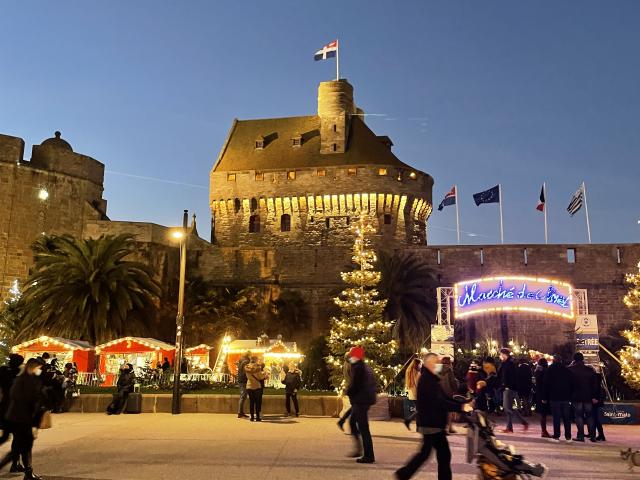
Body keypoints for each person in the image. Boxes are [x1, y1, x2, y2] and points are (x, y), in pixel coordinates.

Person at [395, 353, 473, 480]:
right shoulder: (427, 380)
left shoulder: (432, 378)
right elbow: (438, 402)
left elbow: (444, 398)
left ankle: (403, 474)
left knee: (429, 453)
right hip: (431, 423)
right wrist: (460, 407)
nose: (439, 365)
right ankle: (403, 474)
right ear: (429, 364)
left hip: (432, 423)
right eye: (436, 362)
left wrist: (462, 403)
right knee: (440, 454)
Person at [0, 357, 46, 480]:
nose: (39, 370)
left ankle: (21, 468)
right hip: (21, 417)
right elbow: (30, 401)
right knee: (24, 446)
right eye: (38, 368)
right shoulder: (26, 380)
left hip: (11, 415)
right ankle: (27, 472)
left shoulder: (15, 377)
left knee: (18, 444)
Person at [345, 346, 376, 464]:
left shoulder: (359, 367)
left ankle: (369, 456)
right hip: (364, 399)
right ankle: (359, 449)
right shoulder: (363, 366)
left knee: (364, 428)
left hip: (361, 400)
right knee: (353, 422)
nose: (350, 357)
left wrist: (348, 392)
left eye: (352, 355)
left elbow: (355, 385)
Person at [0, 354, 25, 473]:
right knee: (18, 438)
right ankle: (15, 464)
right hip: (16, 411)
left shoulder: (3, 371)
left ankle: (15, 463)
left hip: (4, 408)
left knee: (5, 436)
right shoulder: (19, 374)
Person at [567, 352, 598, 442]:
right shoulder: (589, 370)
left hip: (576, 396)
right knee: (590, 416)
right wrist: (594, 396)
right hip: (588, 396)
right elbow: (595, 384)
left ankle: (581, 435)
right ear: (582, 359)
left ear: (574, 359)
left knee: (578, 415)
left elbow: (569, 384)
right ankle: (592, 436)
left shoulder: (570, 369)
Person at [498, 348, 528, 433]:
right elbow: (501, 375)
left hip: (509, 388)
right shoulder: (504, 363)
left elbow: (513, 377)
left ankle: (523, 422)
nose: (500, 356)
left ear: (504, 354)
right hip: (506, 388)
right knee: (508, 408)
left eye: (501, 354)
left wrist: (508, 386)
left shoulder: (510, 364)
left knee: (507, 408)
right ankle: (510, 427)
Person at [543, 354, 573, 442]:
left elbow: (546, 384)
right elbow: (572, 384)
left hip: (554, 397)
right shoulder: (567, 370)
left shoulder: (550, 370)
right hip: (566, 397)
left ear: (554, 360)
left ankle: (557, 436)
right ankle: (568, 437)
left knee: (556, 417)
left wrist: (544, 397)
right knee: (566, 417)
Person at [244, 356, 267, 422]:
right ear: (256, 360)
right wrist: (265, 375)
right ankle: (257, 417)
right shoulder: (257, 368)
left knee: (251, 402)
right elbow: (260, 377)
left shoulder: (247, 367)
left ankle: (251, 417)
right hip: (257, 386)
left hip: (249, 386)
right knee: (257, 402)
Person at [439, 357, 458, 434]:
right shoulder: (449, 370)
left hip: (439, 393)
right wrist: (456, 387)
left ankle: (443, 428)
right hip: (448, 392)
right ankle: (449, 428)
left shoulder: (437, 369)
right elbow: (452, 382)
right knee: (449, 411)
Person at [533, 357, 551, 438]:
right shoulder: (543, 372)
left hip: (539, 394)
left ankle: (543, 431)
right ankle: (544, 431)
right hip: (543, 395)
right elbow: (545, 384)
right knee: (543, 414)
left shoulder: (537, 371)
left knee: (542, 414)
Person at [404, 357, 422, 429]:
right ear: (417, 364)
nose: (420, 365)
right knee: (419, 410)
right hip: (416, 393)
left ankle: (412, 423)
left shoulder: (409, 371)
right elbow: (418, 384)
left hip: (411, 393)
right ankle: (411, 422)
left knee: (418, 409)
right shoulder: (417, 373)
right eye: (420, 364)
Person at [337, 353, 353, 431]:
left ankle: (342, 421)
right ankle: (342, 421)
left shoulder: (346, 364)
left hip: (349, 386)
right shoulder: (350, 364)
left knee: (355, 406)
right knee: (355, 406)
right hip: (352, 387)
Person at [593, 372, 606, 441]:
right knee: (596, 420)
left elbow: (601, 395)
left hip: (596, 404)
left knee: (596, 420)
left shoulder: (597, 386)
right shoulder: (599, 386)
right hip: (598, 404)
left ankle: (600, 435)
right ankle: (600, 435)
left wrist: (597, 400)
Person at [236, 352, 250, 418]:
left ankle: (241, 412)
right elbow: (246, 370)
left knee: (243, 396)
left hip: (241, 379)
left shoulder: (241, 361)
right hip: (243, 379)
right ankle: (240, 412)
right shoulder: (246, 361)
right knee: (243, 395)